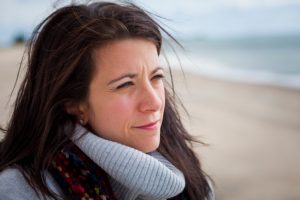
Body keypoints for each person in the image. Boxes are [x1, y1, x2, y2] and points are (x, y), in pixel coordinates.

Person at [0, 1, 214, 200]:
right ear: (74, 103)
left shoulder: (193, 179)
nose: (155, 103)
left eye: (156, 77)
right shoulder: (21, 190)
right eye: (125, 84)